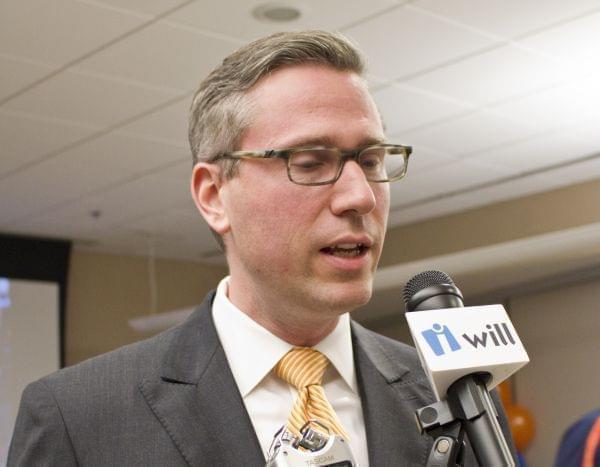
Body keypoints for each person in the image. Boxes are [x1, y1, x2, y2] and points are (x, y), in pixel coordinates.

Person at [8, 31, 516, 466]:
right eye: (311, 162)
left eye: (371, 158)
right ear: (214, 196)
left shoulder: (463, 400)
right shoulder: (78, 419)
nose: (361, 195)